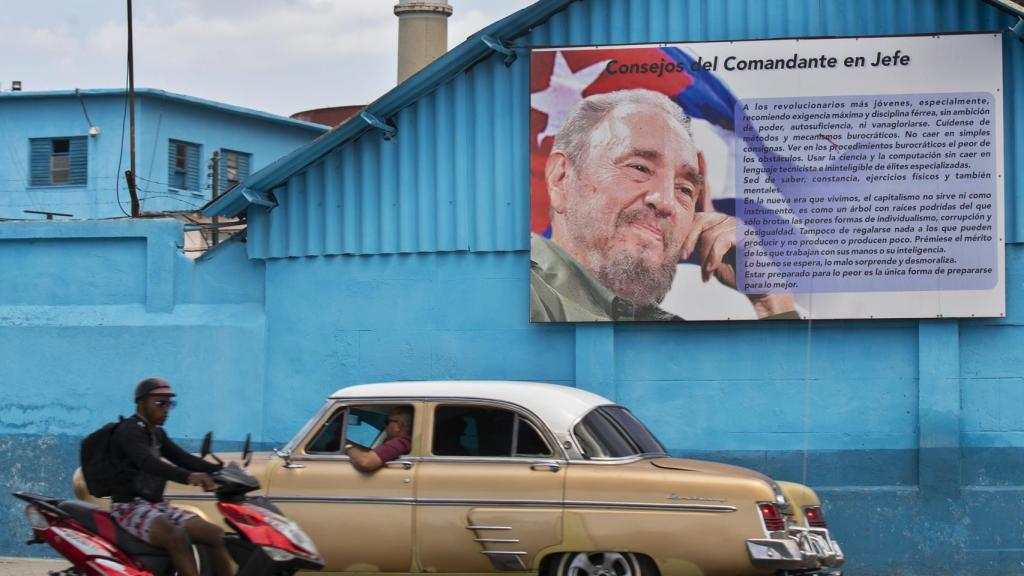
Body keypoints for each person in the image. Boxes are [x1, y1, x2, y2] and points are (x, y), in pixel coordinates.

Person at [530, 88, 797, 322]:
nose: (666, 201)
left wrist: (771, 300)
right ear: (561, 178)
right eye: (639, 168)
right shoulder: (508, 290)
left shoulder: (679, 338)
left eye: (685, 189)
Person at [110, 377, 232, 576]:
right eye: (160, 403)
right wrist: (189, 477)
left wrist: (220, 471)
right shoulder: (128, 431)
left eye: (170, 403)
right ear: (141, 403)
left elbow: (183, 458)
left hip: (157, 506)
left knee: (215, 535)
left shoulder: (157, 433)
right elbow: (149, 463)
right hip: (129, 507)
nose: (166, 408)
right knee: (176, 536)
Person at [344, 406, 412, 472]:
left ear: (399, 425)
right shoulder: (406, 443)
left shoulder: (400, 443)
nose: (385, 426)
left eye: (387, 422)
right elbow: (372, 453)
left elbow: (365, 463)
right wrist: (346, 443)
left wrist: (347, 447)